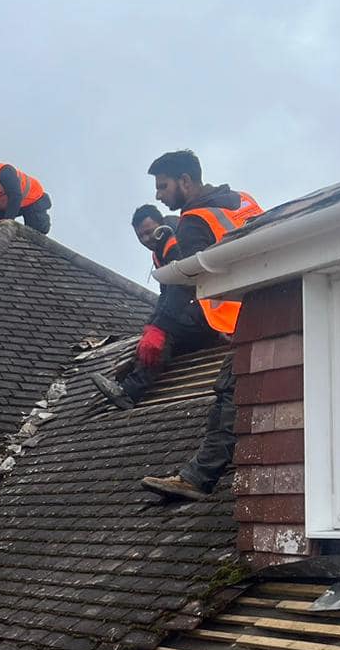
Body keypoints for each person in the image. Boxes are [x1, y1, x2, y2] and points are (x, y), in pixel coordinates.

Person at [124, 150, 265, 502]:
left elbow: (185, 280)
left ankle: (199, 478)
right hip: (272, 304)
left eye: (163, 186)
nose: (159, 196)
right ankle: (198, 474)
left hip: (249, 319)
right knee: (226, 392)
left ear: (185, 181)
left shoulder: (192, 222)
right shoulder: (241, 200)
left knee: (231, 395)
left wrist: (159, 328)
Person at [90, 204, 225, 411]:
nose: (146, 240)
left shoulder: (173, 242)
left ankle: (130, 391)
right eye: (140, 236)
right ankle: (127, 378)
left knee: (163, 337)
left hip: (211, 311)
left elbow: (180, 288)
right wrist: (151, 324)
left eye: (148, 232)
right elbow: (165, 293)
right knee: (153, 339)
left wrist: (160, 328)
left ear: (160, 224)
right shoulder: (159, 250)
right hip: (200, 310)